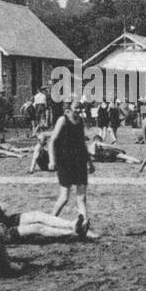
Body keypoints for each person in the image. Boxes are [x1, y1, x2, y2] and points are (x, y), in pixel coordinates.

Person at [0, 168, 95, 241]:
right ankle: (74, 233)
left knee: (37, 215)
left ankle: (72, 224)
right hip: (1, 231)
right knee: (37, 227)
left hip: (5, 219)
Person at [49, 99, 93, 232]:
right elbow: (52, 141)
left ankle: (84, 224)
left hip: (79, 160)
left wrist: (89, 162)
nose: (79, 111)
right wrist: (52, 160)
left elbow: (82, 143)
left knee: (82, 197)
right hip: (65, 161)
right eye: (76, 108)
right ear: (69, 109)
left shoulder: (80, 122)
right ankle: (50, 221)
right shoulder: (63, 120)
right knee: (64, 198)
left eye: (80, 108)